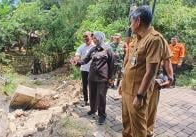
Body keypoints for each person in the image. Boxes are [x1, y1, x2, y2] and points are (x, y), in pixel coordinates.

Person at [121, 5, 167, 137]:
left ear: (138, 21)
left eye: (131, 21)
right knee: (127, 125)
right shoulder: (137, 38)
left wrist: (140, 96)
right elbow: (130, 64)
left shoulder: (154, 39)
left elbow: (150, 72)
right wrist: (121, 84)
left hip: (137, 93)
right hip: (126, 90)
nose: (130, 25)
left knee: (139, 129)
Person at [71, 31, 115, 125]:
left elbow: (112, 64)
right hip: (92, 77)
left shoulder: (107, 49)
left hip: (102, 78)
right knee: (92, 94)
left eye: (94, 38)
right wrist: (77, 63)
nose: (93, 39)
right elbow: (85, 60)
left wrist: (110, 78)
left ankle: (102, 115)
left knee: (101, 96)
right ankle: (92, 109)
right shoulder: (93, 49)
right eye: (93, 38)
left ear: (99, 38)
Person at [74, 31, 95, 106]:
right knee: (84, 86)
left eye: (86, 36)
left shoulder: (95, 46)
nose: (85, 38)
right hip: (84, 69)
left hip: (93, 70)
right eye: (84, 37)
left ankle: (93, 100)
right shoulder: (81, 47)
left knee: (92, 86)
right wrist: (75, 60)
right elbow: (77, 55)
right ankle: (86, 100)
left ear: (91, 36)